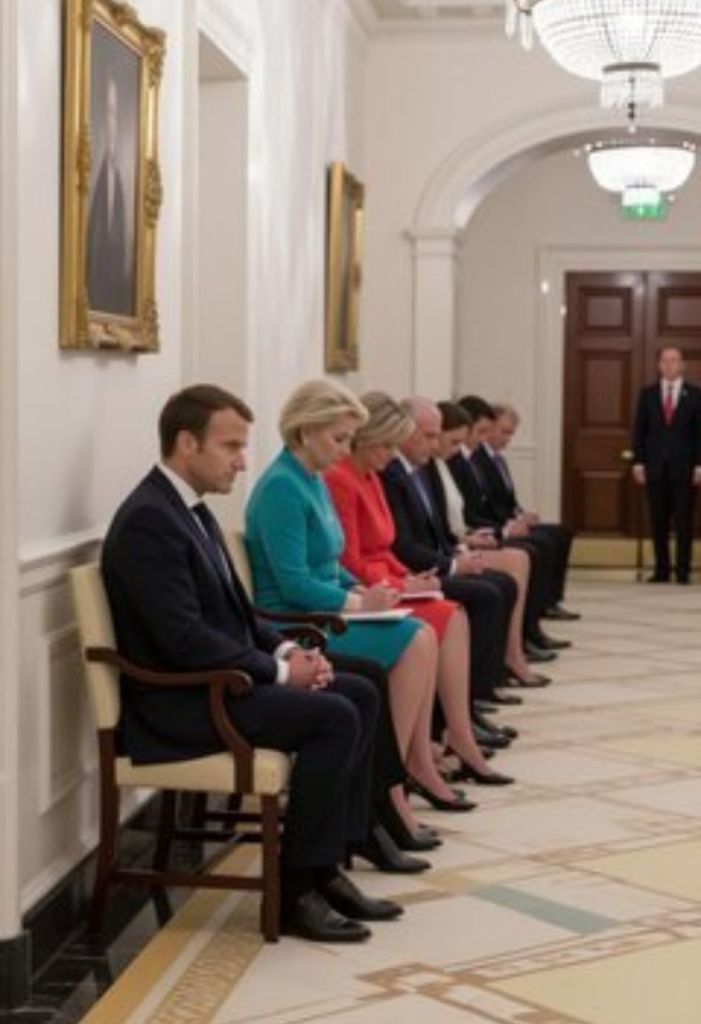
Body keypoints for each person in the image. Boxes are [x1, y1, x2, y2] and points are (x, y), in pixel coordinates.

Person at [101, 383, 401, 944]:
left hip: (217, 683)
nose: (242, 461)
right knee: (334, 716)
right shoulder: (149, 519)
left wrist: (288, 651)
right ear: (187, 443)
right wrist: (282, 674)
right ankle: (296, 891)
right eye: (231, 446)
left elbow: (238, 614)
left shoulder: (188, 508)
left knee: (360, 690)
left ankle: (324, 867)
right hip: (181, 703)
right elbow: (184, 640)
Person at [244, 380, 473, 851]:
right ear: (305, 431)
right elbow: (292, 583)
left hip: (324, 609)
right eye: (339, 438)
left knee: (421, 633)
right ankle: (390, 790)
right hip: (294, 622)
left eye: (349, 439)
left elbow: (333, 564)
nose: (345, 449)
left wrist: (364, 591)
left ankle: (400, 775)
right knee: (416, 639)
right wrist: (355, 604)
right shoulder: (282, 486)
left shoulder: (310, 479)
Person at [325, 391, 513, 784]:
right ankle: (416, 757)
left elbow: (385, 547)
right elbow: (351, 561)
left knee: (453, 612)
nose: (392, 454)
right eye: (387, 444)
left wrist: (412, 579)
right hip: (366, 591)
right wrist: (400, 583)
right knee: (437, 621)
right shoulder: (341, 478)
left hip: (384, 582)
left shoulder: (371, 475)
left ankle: (454, 735)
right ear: (367, 438)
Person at [378, 396, 521, 744]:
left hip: (412, 569)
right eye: (429, 435)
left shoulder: (416, 469)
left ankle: (470, 706)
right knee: (484, 594)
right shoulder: (391, 474)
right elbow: (400, 546)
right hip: (401, 573)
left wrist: (455, 554)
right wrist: (450, 564)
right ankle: (455, 718)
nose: (436, 445)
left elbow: (432, 532)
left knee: (499, 585)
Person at [430, 400, 547, 688]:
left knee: (521, 557)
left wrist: (470, 539)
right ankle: (498, 667)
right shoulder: (434, 467)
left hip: (458, 543)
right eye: (455, 441)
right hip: (446, 553)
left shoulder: (444, 465)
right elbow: (446, 526)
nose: (461, 448)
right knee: (503, 577)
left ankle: (514, 650)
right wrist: (461, 550)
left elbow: (453, 523)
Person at [472, 401, 578, 624]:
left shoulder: (498, 459)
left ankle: (551, 600)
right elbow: (487, 505)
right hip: (495, 526)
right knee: (541, 544)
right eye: (504, 432)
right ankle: (536, 609)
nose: (508, 439)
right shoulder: (477, 460)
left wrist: (521, 514)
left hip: (509, 520)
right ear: (490, 427)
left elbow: (508, 500)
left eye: (511, 433)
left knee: (561, 532)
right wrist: (510, 525)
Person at [632, 346, 701, 584]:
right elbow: (640, 431)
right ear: (659, 365)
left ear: (683, 365)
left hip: (685, 469)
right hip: (655, 468)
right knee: (658, 521)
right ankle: (662, 570)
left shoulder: (695, 395)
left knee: (684, 522)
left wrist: (699, 465)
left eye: (674, 360)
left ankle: (683, 571)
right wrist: (638, 462)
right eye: (665, 360)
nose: (670, 364)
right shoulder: (648, 394)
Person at [86, 73, 134, 316]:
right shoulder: (91, 172)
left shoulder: (124, 178)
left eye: (114, 114)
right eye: (106, 113)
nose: (110, 123)